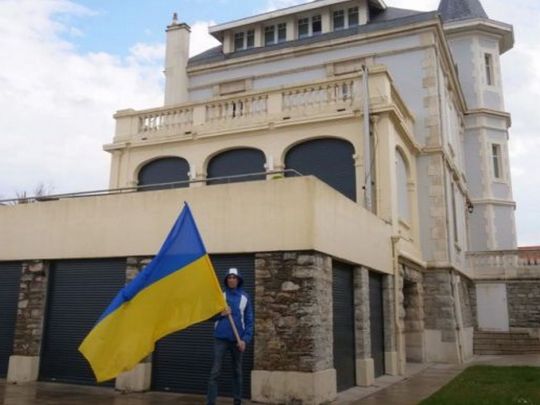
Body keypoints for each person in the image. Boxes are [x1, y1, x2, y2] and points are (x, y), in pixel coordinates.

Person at [207, 268, 254, 405]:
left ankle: (237, 401)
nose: (232, 279)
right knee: (215, 372)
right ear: (226, 280)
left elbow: (249, 320)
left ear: (238, 280)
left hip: (237, 341)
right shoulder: (220, 296)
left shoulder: (245, 297)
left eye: (234, 277)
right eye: (229, 277)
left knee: (237, 372)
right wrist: (220, 314)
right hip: (220, 339)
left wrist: (245, 340)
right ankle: (210, 402)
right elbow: (209, 316)